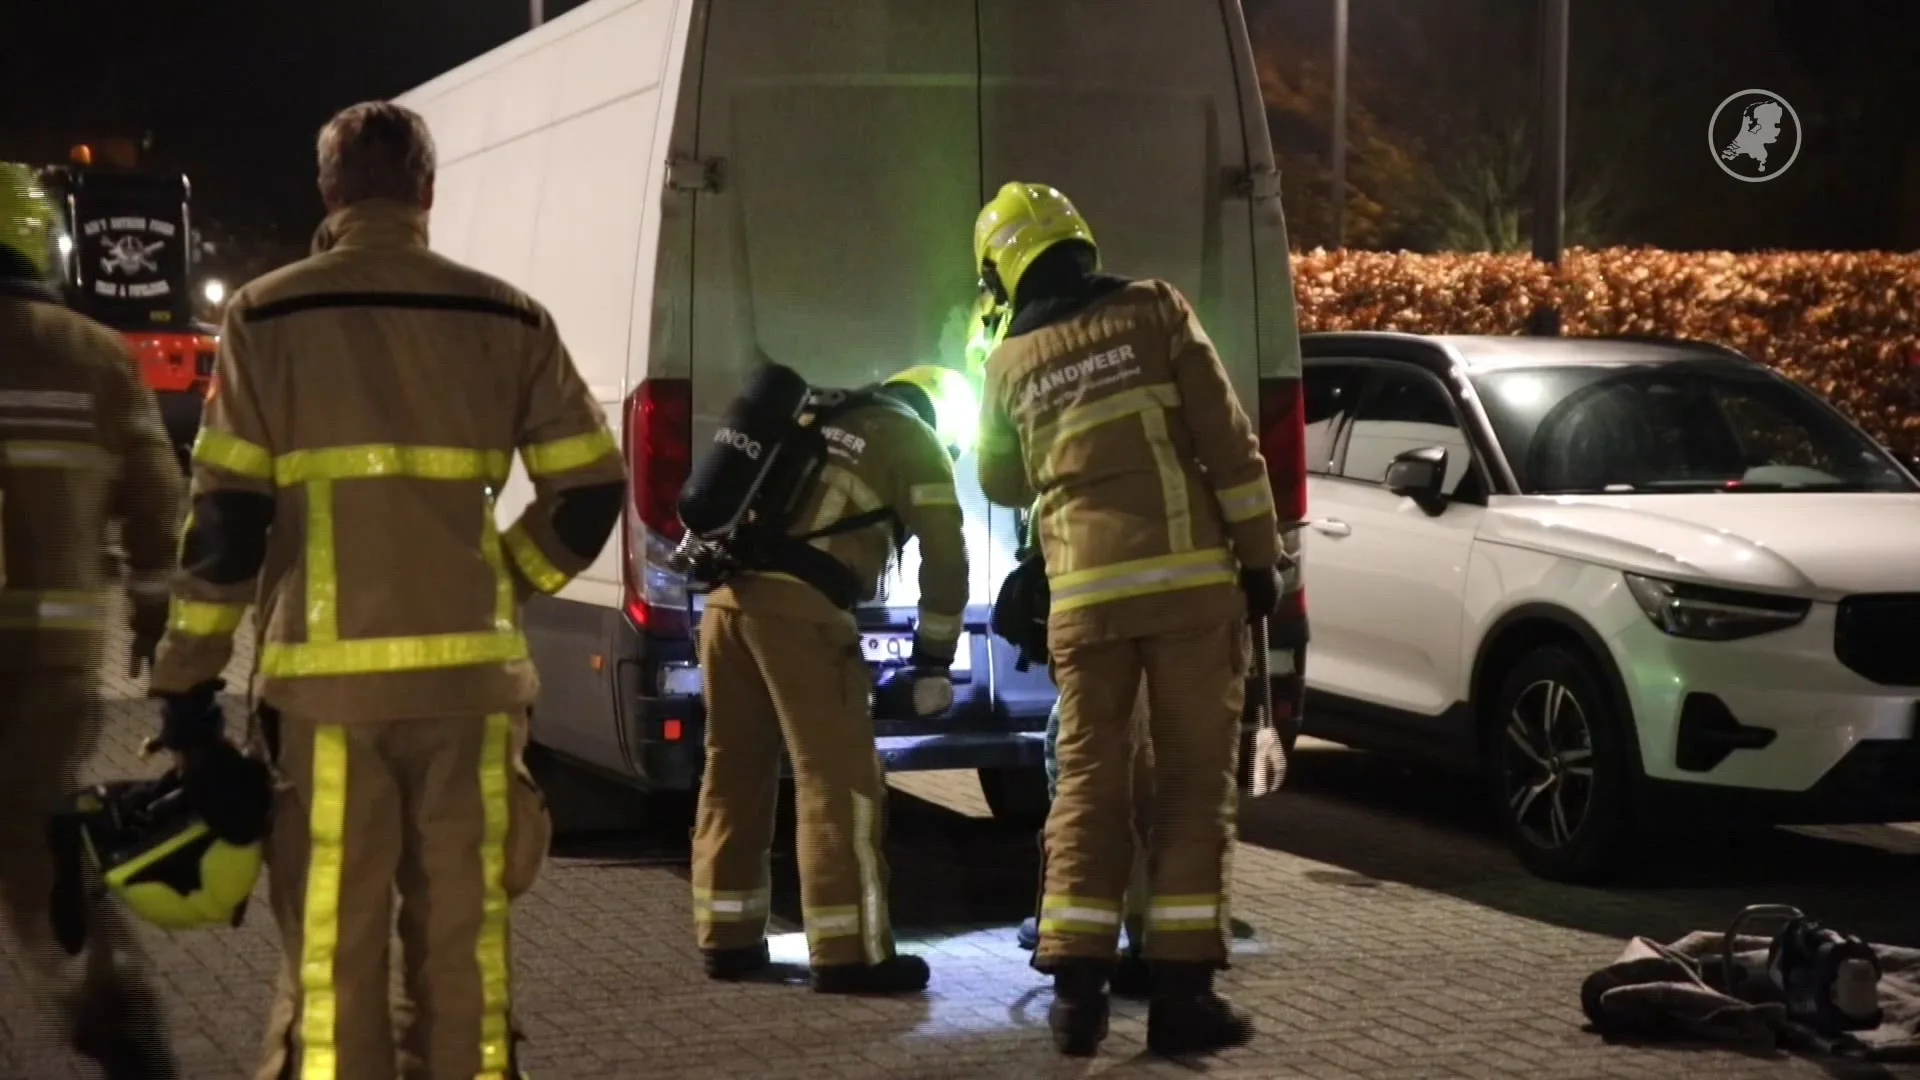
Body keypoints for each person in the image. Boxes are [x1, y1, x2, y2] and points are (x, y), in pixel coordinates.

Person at [146, 101, 624, 1080]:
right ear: (428, 194)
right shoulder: (508, 316)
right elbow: (591, 486)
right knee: (465, 953)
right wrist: (505, 577)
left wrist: (185, 683)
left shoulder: (268, 316)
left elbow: (227, 522)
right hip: (473, 700)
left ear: (329, 192)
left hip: (327, 707)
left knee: (333, 955)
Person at [972, 181, 1282, 1057]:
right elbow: (1227, 440)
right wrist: (1259, 557)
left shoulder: (1007, 359)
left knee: (1088, 786)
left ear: (1004, 271)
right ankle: (1183, 997)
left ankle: (1076, 995)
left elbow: (1000, 482)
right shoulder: (1154, 311)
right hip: (1189, 594)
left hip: (1083, 602)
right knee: (1189, 786)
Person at [691, 365, 971, 995]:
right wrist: (933, 654)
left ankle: (726, 938)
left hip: (726, 607)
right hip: (802, 616)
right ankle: (851, 953)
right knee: (837, 780)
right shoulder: (913, 438)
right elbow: (947, 554)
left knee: (733, 771)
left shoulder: (819, 418)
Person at [0, 161, 184, 1077]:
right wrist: (153, 615)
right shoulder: (92, 351)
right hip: (61, 647)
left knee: (20, 831)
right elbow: (156, 495)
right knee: (35, 812)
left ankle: (95, 1000)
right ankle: (108, 987)